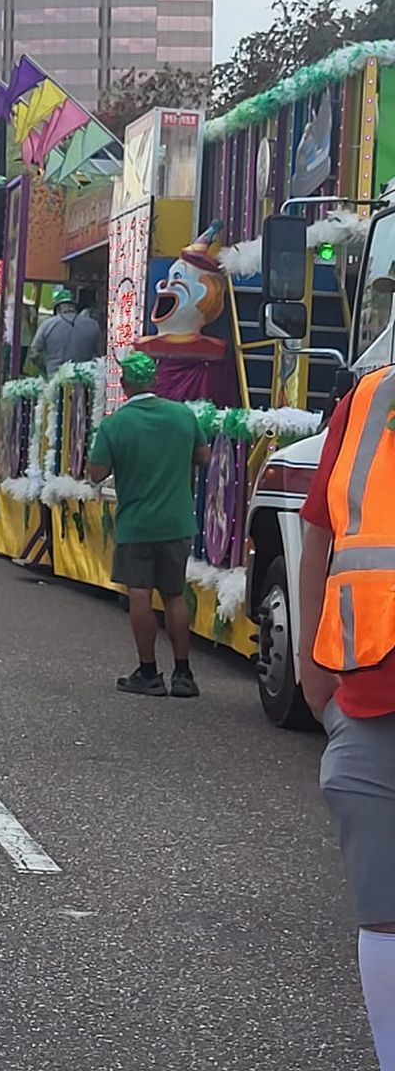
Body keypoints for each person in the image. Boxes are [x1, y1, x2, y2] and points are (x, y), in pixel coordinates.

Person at [296, 361, 395, 1067]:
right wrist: (308, 658)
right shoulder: (368, 394)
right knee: (382, 906)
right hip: (369, 686)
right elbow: (322, 531)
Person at [87, 350, 210, 697]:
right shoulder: (183, 415)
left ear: (124, 385)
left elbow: (97, 473)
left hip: (136, 523)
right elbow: (204, 456)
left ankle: (149, 673)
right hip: (176, 521)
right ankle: (184, 675)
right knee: (174, 595)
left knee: (140, 593)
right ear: (155, 380)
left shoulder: (115, 424)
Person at [29, 287, 103, 375]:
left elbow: (34, 353)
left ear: (57, 308)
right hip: (85, 376)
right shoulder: (93, 325)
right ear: (75, 307)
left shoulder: (47, 325)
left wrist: (45, 368)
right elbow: (100, 354)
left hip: (56, 376)